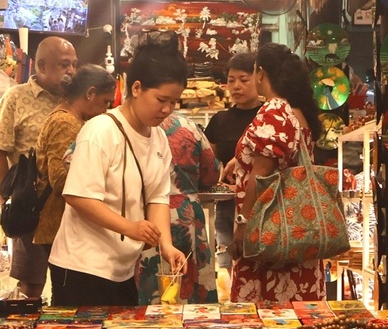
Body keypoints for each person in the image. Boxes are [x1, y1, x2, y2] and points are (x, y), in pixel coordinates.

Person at [48, 31, 187, 307]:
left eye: (174, 102)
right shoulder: (100, 130)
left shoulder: (158, 138)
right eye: (162, 100)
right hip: (81, 267)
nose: (167, 110)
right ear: (136, 89)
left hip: (122, 269)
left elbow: (157, 197)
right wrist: (131, 228)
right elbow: (78, 196)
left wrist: (166, 245)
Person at [228, 42, 327, 303]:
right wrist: (239, 161)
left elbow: (261, 176)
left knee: (266, 314)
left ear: (260, 73)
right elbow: (281, 158)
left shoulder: (274, 110)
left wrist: (243, 223)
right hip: (298, 230)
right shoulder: (297, 112)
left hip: (271, 233)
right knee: (296, 316)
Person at [0, 36, 78, 298]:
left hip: (72, 207)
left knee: (69, 283)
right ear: (41, 65)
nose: (71, 71)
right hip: (31, 207)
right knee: (31, 285)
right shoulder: (16, 98)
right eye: (64, 64)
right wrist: (7, 200)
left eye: (74, 64)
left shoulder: (77, 102)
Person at [137, 112, 221, 304]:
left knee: (148, 287)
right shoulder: (187, 125)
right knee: (188, 286)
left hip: (142, 214)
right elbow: (211, 173)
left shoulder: (131, 126)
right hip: (185, 214)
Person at [32, 65, 116, 249]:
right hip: (59, 226)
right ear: (90, 93)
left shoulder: (72, 119)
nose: (105, 110)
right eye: (105, 102)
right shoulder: (65, 122)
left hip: (62, 227)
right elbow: (60, 179)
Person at [204, 52, 262, 271]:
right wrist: (221, 182)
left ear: (259, 79)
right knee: (229, 263)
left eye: (244, 80)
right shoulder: (220, 120)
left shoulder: (266, 117)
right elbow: (210, 165)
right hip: (227, 205)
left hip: (260, 203)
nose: (236, 86)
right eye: (231, 80)